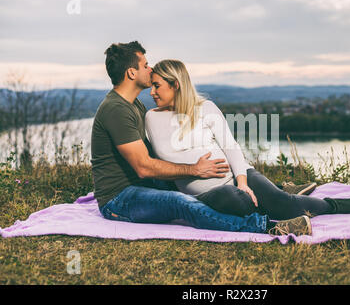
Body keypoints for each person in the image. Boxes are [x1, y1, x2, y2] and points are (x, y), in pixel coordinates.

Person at [91, 41, 314, 237]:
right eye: (145, 65)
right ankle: (266, 227)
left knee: (181, 186)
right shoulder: (116, 109)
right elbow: (143, 167)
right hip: (119, 199)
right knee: (179, 202)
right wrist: (194, 170)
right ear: (131, 73)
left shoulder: (134, 104)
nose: (150, 69)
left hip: (143, 185)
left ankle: (278, 191)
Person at [145, 59, 350, 220]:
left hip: (239, 175)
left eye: (157, 86)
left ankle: (331, 205)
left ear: (175, 85)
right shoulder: (151, 119)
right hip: (206, 193)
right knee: (236, 200)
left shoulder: (205, 108)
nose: (152, 92)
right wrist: (194, 170)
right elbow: (157, 162)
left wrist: (242, 181)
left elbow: (230, 147)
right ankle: (276, 194)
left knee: (284, 207)